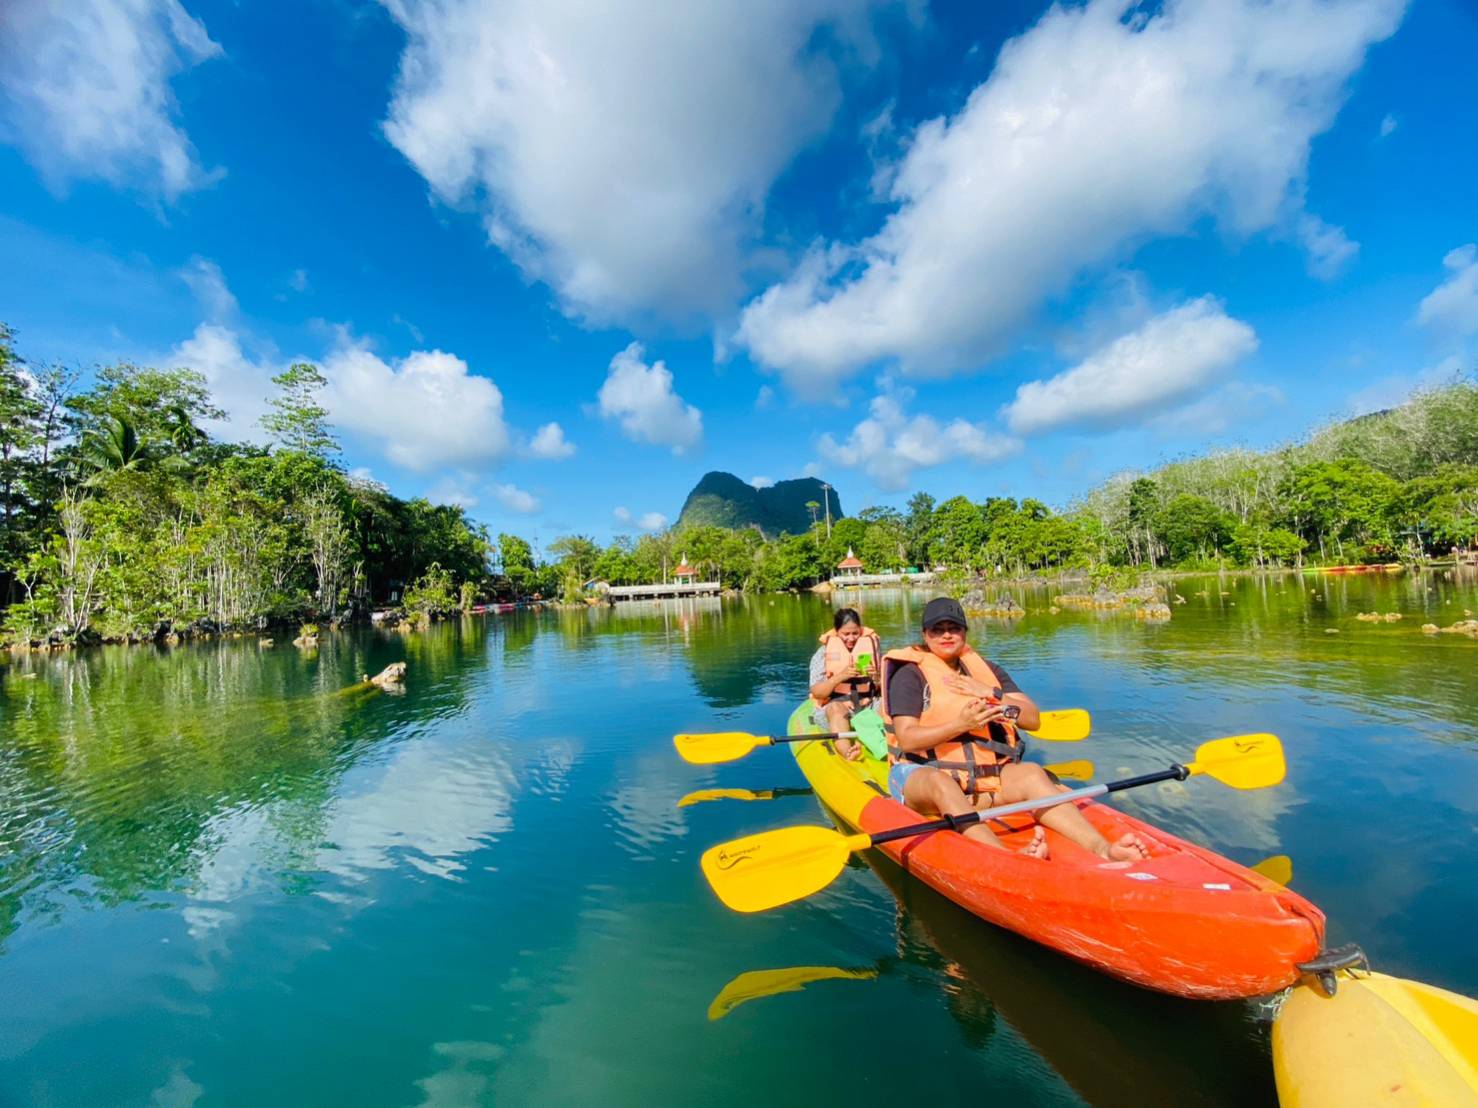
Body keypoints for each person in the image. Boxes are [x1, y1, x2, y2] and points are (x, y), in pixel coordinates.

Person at [880, 597, 1148, 862]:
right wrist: (961, 725)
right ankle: (1007, 859)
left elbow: (1032, 719)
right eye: (937, 629)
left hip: (980, 778)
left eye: (954, 628)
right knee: (942, 783)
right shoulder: (909, 674)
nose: (946, 635)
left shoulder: (986, 670)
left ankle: (1104, 849)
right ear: (925, 635)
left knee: (1032, 773)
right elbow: (907, 739)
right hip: (920, 776)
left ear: (965, 632)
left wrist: (992, 694)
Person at [808, 608, 881, 761]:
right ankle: (848, 751)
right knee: (835, 709)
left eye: (855, 633)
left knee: (892, 703)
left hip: (869, 704)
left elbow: (885, 687)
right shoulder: (823, 653)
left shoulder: (872, 647)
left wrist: (876, 677)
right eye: (845, 634)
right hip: (839, 705)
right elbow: (817, 692)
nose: (851, 638)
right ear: (836, 631)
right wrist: (840, 676)